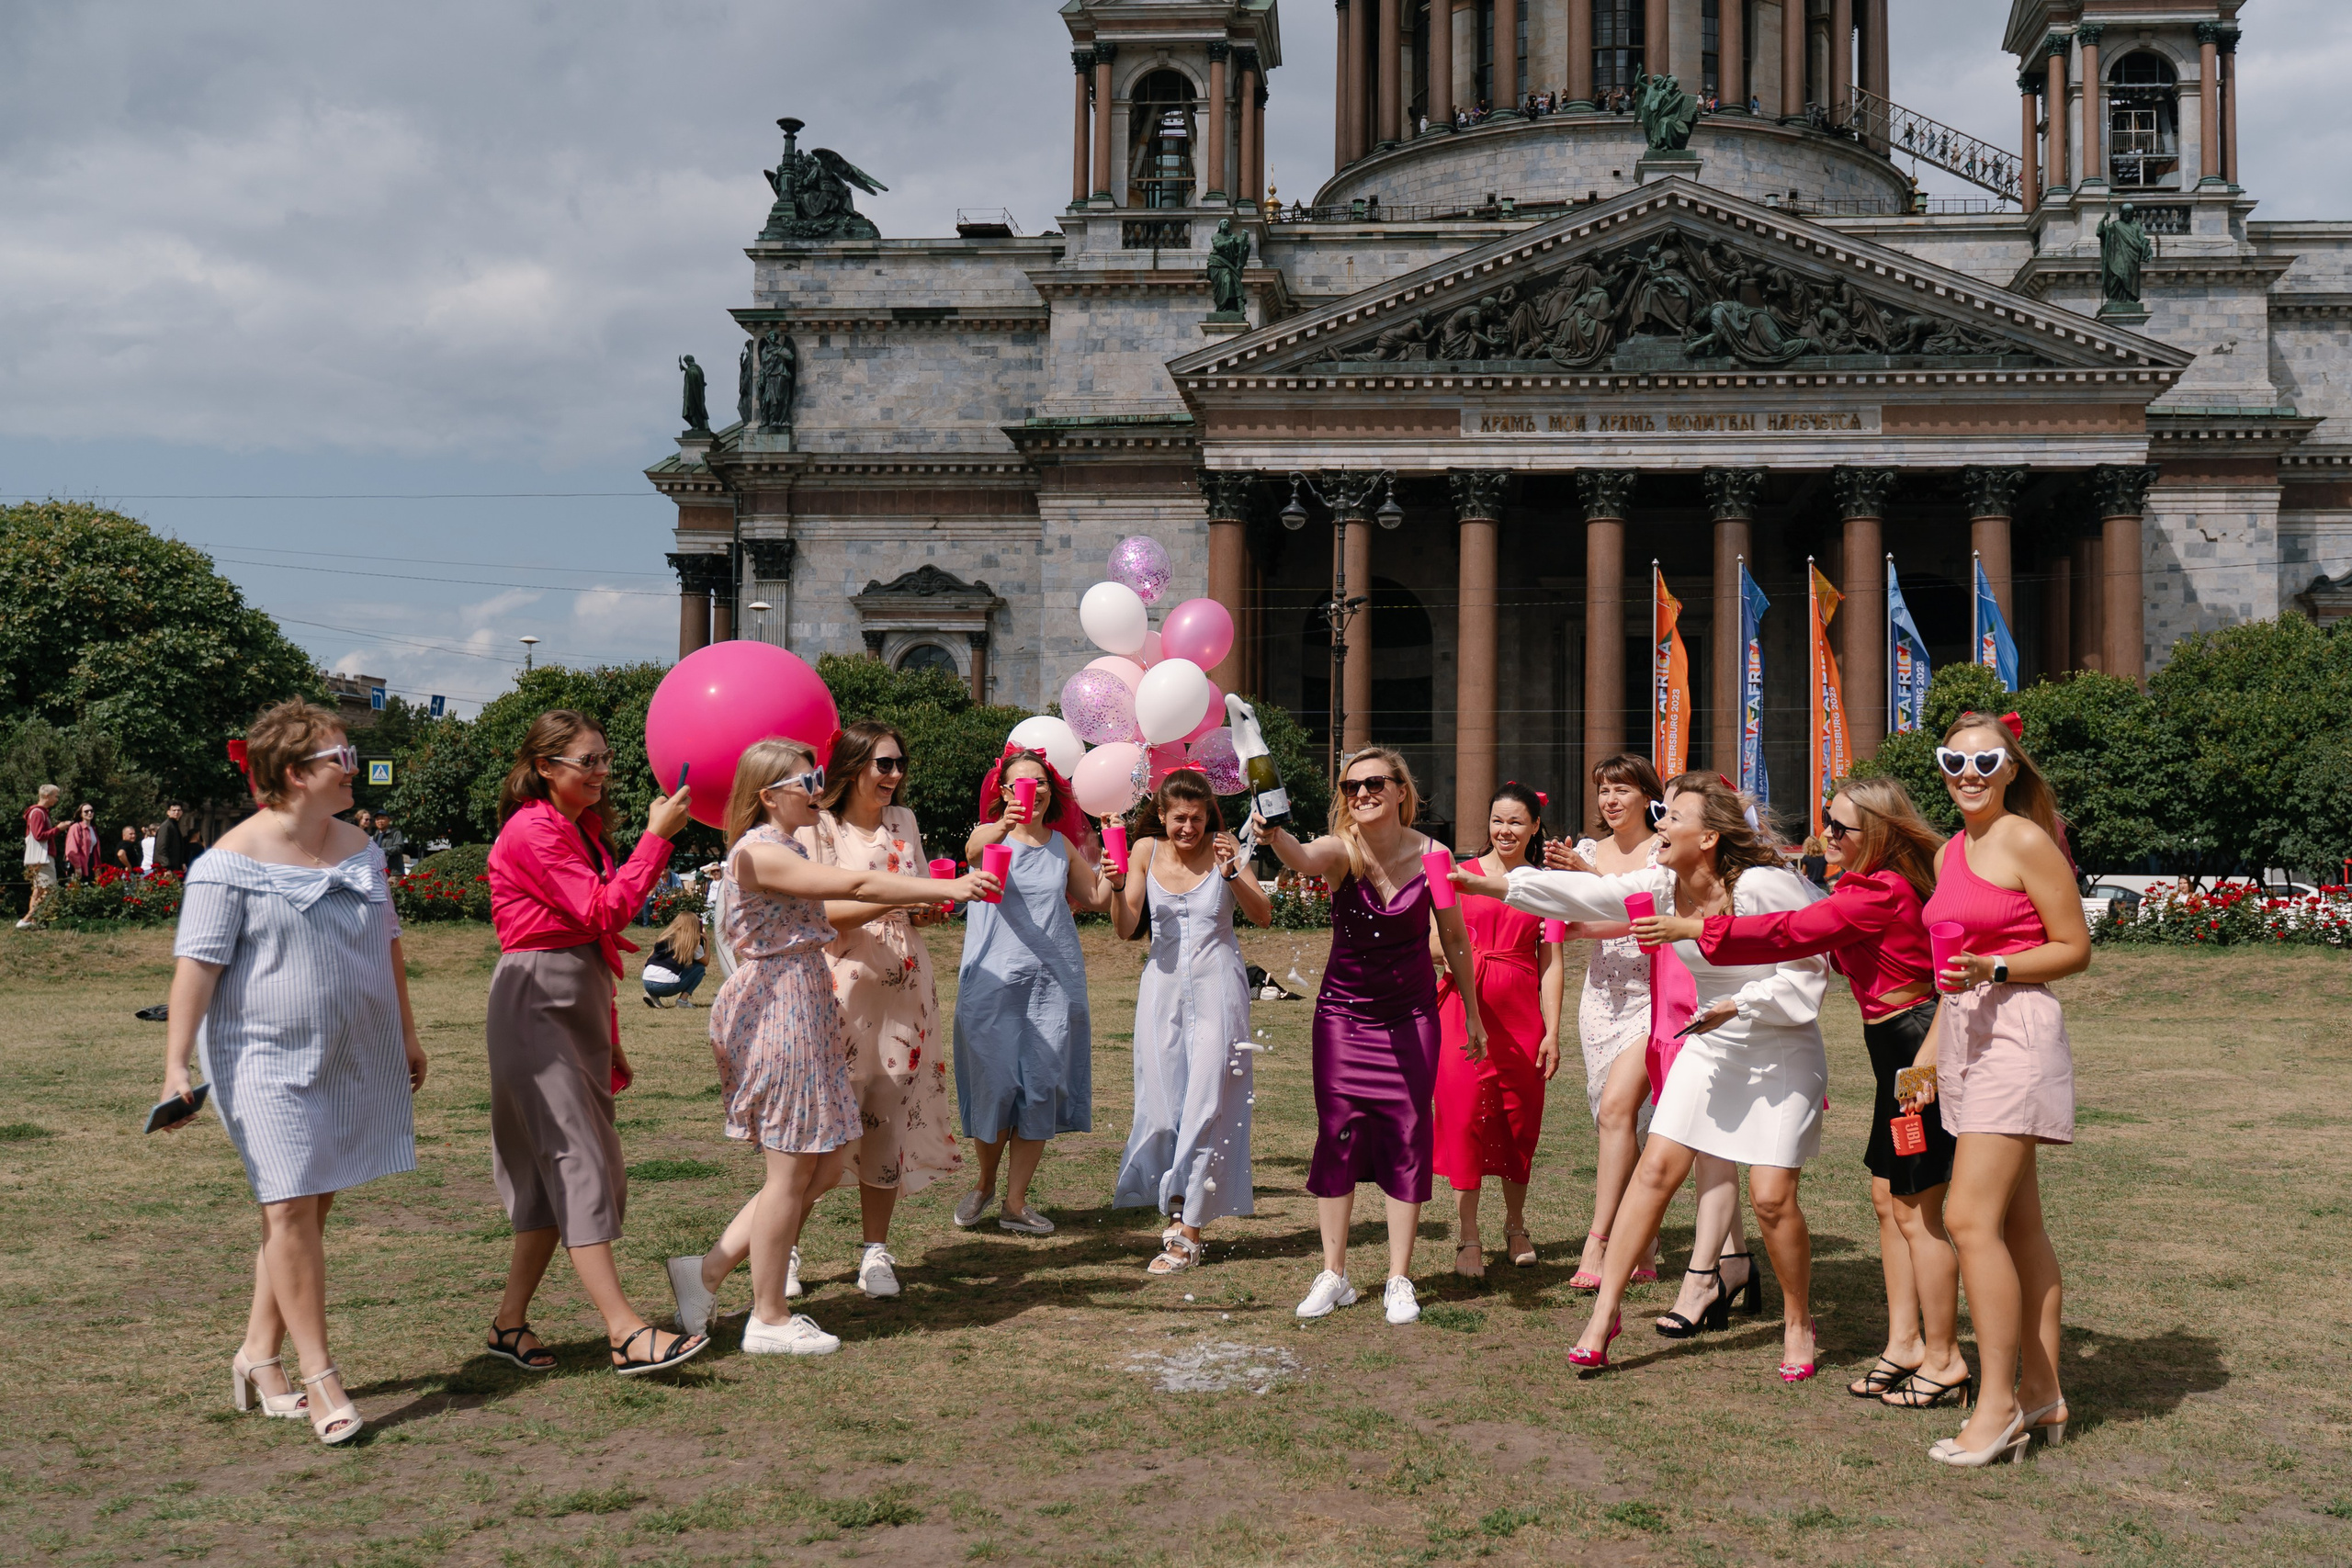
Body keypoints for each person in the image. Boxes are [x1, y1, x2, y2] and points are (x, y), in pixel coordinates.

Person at [1464, 773, 1827, 1378]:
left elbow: (1808, 970)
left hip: (1779, 1048)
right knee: (1655, 1167)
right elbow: (1589, 898)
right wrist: (1502, 885)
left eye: (1670, 814)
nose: (1657, 822)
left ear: (1709, 836)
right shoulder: (1662, 882)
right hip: (1710, 1046)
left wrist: (1741, 1004)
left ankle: (1797, 1318)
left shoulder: (1764, 886)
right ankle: (1604, 1315)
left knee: (1769, 1197)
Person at [1639, 776, 1962, 1403]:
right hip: (1891, 1058)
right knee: (1888, 1199)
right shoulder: (1862, 886)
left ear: (1881, 833)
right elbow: (1808, 919)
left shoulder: (1882, 892)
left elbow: (1791, 932)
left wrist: (1692, 929)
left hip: (1914, 1056)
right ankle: (1904, 1343)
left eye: (1841, 827)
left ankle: (1944, 1358)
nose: (1829, 835)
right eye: (1827, 822)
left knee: (1917, 1211)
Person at [156, 699, 425, 1445]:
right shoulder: (227, 864)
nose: (353, 770)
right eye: (340, 758)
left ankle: (255, 1354)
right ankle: (320, 1376)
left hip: (349, 1048)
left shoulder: (361, 849)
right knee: (289, 1207)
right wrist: (175, 1064)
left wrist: (406, 1031)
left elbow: (389, 942)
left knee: (306, 1207)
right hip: (261, 1058)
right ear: (291, 774)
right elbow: (196, 970)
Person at [667, 739, 992, 1354]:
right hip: (779, 1008)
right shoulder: (759, 852)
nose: (816, 789)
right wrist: (946, 888)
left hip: (806, 1000)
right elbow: (860, 882)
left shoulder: (786, 845)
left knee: (830, 1150)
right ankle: (767, 1315)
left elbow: (856, 894)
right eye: (803, 781)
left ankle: (708, 1269)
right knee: (792, 1167)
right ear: (768, 797)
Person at [482, 709, 707, 1379]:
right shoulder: (533, 830)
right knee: (574, 1160)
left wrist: (607, 1035)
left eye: (607, 759)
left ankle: (508, 1323)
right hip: (536, 999)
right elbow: (603, 911)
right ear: (545, 767)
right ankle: (624, 1329)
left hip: (569, 998)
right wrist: (656, 839)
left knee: (556, 1173)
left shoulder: (575, 827)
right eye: (590, 761)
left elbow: (592, 935)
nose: (603, 773)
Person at [1902, 712, 2091, 1466]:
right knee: (2017, 1224)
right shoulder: (1953, 849)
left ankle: (1998, 1403)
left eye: (1986, 760)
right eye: (1955, 759)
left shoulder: (2022, 839)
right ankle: (2043, 1394)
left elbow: (2075, 947)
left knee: (1966, 1216)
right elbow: (1952, 975)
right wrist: (1922, 1060)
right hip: (1964, 1040)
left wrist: (1998, 968)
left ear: (2011, 768)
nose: (1969, 774)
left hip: (2016, 1035)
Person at [1257, 748, 1487, 1325]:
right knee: (1337, 1134)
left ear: (1401, 791)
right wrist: (1273, 831)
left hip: (1411, 1016)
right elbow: (1302, 856)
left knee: (1408, 1134)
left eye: (1374, 783)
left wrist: (1475, 1014)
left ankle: (1399, 1279)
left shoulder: (1433, 855)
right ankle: (1334, 1274)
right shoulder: (1342, 852)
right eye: (1351, 786)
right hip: (1343, 1017)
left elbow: (1455, 940)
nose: (1361, 793)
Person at [794, 720, 958, 1298]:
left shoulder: (903, 823)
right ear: (854, 766)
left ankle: (875, 1253)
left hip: (903, 987)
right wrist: (891, 896)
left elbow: (913, 900)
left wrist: (930, 907)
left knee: (886, 1118)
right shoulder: (818, 828)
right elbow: (821, 915)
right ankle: (784, 1247)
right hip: (840, 987)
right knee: (823, 1129)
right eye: (883, 764)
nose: (894, 775)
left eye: (899, 764)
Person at [1110, 768, 1273, 1273]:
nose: (1188, 828)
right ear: (1161, 816)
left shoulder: (1228, 852)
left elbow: (1263, 914)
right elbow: (1123, 928)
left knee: (1206, 1105)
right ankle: (1178, 1205)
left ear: (1209, 818)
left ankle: (1189, 1234)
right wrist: (1116, 887)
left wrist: (1230, 873)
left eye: (1197, 819)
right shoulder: (1144, 853)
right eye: (1179, 818)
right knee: (1161, 1111)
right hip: (1160, 992)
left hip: (1218, 988)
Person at [953, 747, 1118, 1234]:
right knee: (996, 1087)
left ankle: (1015, 1203)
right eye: (1022, 783)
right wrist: (1005, 823)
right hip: (992, 983)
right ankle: (984, 1183)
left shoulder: (1061, 846)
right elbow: (970, 851)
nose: (1035, 789)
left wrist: (1114, 873)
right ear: (1003, 792)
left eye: (1042, 781)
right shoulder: (990, 841)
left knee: (1040, 1090)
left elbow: (1091, 899)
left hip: (1053, 985)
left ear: (1053, 789)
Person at [1430, 783, 1563, 1278]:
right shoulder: (1456, 874)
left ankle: (1515, 1223)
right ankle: (1468, 1236)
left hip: (1522, 1014)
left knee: (1516, 1120)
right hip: (1461, 1008)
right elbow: (1432, 936)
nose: (1504, 830)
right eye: (1497, 820)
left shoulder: (1546, 885)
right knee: (1463, 1117)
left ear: (1533, 827)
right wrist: (1445, 956)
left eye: (1515, 822)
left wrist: (1552, 1030)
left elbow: (1551, 961)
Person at [1549, 755, 1665, 1289]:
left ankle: (1599, 1243)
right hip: (1599, 999)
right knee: (1614, 1121)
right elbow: (1569, 918)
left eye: (1621, 789)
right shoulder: (1589, 851)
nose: (1610, 800)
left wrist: (1586, 878)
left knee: (1622, 1111)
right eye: (1603, 790)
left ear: (1646, 794)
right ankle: (1643, 1241)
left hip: (1652, 997)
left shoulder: (1664, 849)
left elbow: (1644, 916)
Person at [640, 909, 708, 1009]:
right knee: (699, 968)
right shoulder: (691, 943)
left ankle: (651, 994)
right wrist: (706, 940)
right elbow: (705, 961)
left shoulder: (664, 938)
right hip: (664, 985)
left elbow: (649, 958)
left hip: (646, 981)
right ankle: (683, 1001)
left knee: (664, 968)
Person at [18, 784, 61, 926]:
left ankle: (33, 921)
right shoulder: (38, 813)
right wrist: (58, 829)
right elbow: (39, 835)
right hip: (43, 857)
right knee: (50, 889)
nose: (57, 799)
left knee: (38, 890)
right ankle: (27, 919)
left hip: (38, 856)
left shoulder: (39, 812)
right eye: (55, 796)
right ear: (46, 796)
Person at [63, 804, 98, 883]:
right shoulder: (76, 827)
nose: (89, 813)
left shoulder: (93, 828)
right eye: (86, 811)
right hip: (78, 863)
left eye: (91, 811)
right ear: (81, 814)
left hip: (90, 862)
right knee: (76, 890)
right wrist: (77, 866)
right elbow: (71, 849)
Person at [158, 803, 191, 877]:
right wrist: (166, 868)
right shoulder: (166, 826)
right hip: (167, 869)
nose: (176, 812)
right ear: (168, 812)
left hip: (175, 867)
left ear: (182, 812)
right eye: (174, 810)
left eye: (179, 810)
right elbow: (162, 848)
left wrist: (182, 862)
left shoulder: (174, 825)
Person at [375, 813, 410, 878]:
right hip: (379, 872)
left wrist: (382, 850)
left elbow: (399, 848)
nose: (380, 821)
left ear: (389, 820)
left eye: (382, 818)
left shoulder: (395, 832)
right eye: (377, 819)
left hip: (394, 873)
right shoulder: (376, 835)